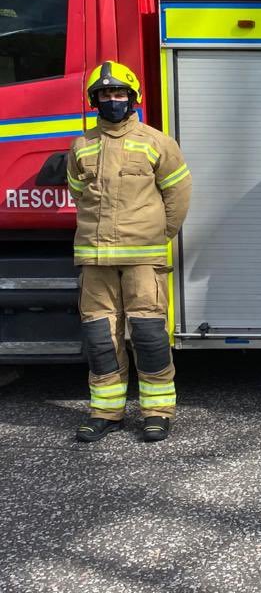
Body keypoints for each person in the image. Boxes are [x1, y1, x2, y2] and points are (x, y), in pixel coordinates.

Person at [67, 61, 191, 443]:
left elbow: (179, 195)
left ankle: (156, 412)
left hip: (143, 257)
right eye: (105, 94)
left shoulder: (157, 142)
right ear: (94, 100)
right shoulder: (81, 145)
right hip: (96, 259)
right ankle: (106, 411)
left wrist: (158, 234)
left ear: (132, 98)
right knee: (101, 338)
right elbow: (78, 193)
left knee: (150, 335)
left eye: (119, 93)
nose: (112, 100)